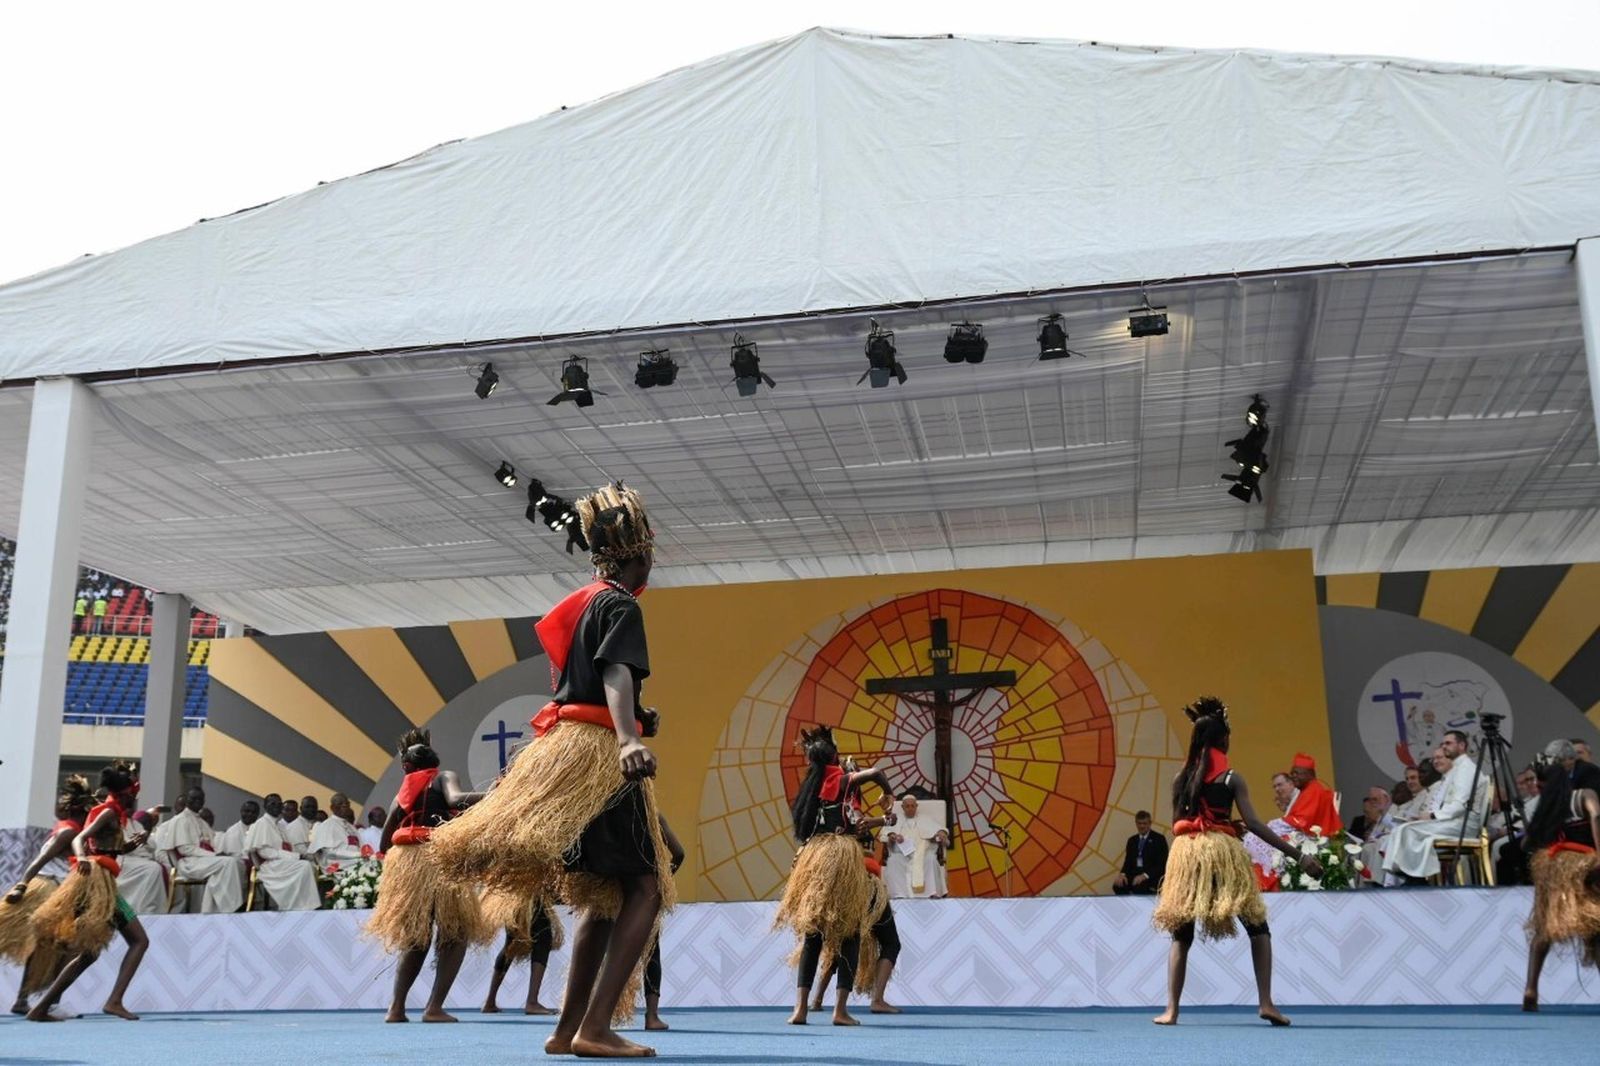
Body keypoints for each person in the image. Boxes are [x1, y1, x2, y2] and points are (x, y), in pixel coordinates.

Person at [431, 482, 676, 1057]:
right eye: (650, 558)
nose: (652, 568)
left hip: (569, 749)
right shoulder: (621, 603)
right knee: (644, 888)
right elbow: (614, 672)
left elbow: (591, 681)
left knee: (602, 898)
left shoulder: (587, 601)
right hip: (598, 759)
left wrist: (638, 717)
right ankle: (594, 1028)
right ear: (637, 555)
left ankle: (567, 1031)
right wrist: (626, 737)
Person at [1150, 697, 1318, 1027]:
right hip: (1222, 854)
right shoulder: (1231, 779)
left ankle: (1171, 1010)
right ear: (1221, 741)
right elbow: (1255, 824)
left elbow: (1177, 823)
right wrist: (1299, 856)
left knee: (1181, 935)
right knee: (1258, 928)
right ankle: (1266, 1003)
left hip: (1186, 853)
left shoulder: (1179, 779)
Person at [365, 728, 489, 1023]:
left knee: (416, 936)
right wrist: (496, 794)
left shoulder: (402, 794)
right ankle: (434, 1007)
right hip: (437, 859)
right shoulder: (443, 776)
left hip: (407, 865)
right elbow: (457, 799)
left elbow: (385, 843)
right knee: (455, 933)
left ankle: (396, 1008)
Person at [775, 725, 895, 1027]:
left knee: (813, 935)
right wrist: (888, 795)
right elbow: (877, 772)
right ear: (834, 758)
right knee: (849, 933)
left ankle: (800, 1010)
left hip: (813, 859)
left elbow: (841, 825)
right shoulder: (839, 780)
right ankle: (839, 1011)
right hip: (839, 861)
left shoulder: (810, 789)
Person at [24, 761, 152, 1021]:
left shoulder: (111, 812)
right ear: (126, 792)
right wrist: (81, 857)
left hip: (99, 883)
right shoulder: (107, 813)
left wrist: (128, 847)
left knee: (89, 953)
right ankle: (114, 1001)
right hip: (97, 884)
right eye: (132, 792)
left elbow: (104, 847)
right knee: (139, 940)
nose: (135, 797)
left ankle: (40, 1008)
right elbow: (79, 839)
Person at [2, 775, 92, 1017]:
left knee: (48, 948)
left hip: (56, 891)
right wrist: (21, 885)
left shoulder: (73, 831)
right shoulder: (69, 832)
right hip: (47, 891)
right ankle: (49, 1003)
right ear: (83, 809)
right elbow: (39, 860)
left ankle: (27, 1000)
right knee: (68, 946)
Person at [1520, 742, 1600, 1012]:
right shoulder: (1584, 795)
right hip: (1583, 866)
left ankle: (1531, 987)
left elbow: (1528, 842)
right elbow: (1596, 817)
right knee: (1594, 926)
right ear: (1568, 764)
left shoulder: (1545, 804)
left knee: (1544, 926)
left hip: (1552, 867)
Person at [1383, 731, 1485, 885]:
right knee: (1404, 828)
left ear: (1462, 746)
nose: (1444, 746)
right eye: (1443, 743)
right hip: (1453, 821)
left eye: (1448, 743)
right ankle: (1411, 877)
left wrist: (1432, 816)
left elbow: (1460, 804)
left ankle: (1416, 880)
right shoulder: (1455, 769)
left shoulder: (1466, 769)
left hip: (1464, 825)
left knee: (1409, 830)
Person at [481, 888, 564, 1016]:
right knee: (542, 939)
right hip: (528, 890)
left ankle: (490, 1001)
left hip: (513, 893)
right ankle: (532, 1002)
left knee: (512, 943)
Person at [168, 786, 243, 913]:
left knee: (234, 862)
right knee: (228, 863)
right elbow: (185, 849)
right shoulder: (179, 820)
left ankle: (211, 910)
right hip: (188, 863)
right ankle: (232, 907)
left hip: (203, 861)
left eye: (200, 798)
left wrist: (219, 854)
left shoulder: (202, 822)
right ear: (187, 800)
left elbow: (213, 844)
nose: (197, 801)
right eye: (193, 798)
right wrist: (215, 856)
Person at [642, 815, 686, 1032]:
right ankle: (652, 1016)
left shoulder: (606, 810)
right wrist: (663, 878)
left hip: (612, 891)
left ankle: (596, 1018)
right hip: (644, 893)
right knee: (651, 953)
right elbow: (679, 853)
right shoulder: (653, 816)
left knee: (604, 954)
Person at [244, 795, 322, 910]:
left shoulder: (280, 825)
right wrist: (295, 856)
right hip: (269, 865)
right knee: (304, 866)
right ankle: (299, 906)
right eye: (272, 804)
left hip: (281, 862)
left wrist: (299, 855)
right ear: (265, 806)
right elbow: (265, 852)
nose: (276, 806)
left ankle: (302, 905)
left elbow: (289, 847)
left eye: (279, 804)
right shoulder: (262, 823)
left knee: (309, 865)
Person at [880, 794, 948, 899]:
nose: (910, 809)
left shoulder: (925, 819)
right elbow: (885, 834)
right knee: (893, 861)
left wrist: (941, 833)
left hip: (923, 854)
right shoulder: (895, 819)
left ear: (916, 806)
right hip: (902, 854)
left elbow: (940, 830)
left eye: (913, 806)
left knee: (931, 859)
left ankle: (931, 892)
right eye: (907, 806)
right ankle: (898, 894)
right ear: (902, 807)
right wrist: (892, 836)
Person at [116, 810, 171, 916]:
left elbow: (151, 845)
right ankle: (144, 910)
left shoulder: (133, 823)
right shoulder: (116, 821)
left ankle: (153, 911)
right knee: (153, 869)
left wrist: (144, 838)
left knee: (157, 869)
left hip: (139, 860)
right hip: (123, 859)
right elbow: (123, 848)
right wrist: (138, 842)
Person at [1284, 754, 1342, 835]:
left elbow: (1302, 820)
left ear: (1310, 774)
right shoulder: (1306, 790)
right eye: (1292, 774)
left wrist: (1276, 824)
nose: (1293, 776)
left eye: (1296, 773)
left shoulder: (1313, 790)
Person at [1112, 811, 1168, 895]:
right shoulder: (1132, 840)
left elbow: (1162, 864)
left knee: (1139, 886)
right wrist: (1122, 874)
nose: (1142, 826)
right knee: (1118, 885)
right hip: (1134, 876)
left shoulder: (1159, 839)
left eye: (1144, 823)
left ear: (1150, 823)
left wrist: (1144, 876)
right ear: (1136, 823)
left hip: (1151, 877)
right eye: (1139, 823)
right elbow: (1128, 862)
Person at [309, 793, 364, 872]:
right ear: (332, 808)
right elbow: (329, 852)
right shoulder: (327, 825)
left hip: (355, 859)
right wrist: (355, 855)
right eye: (340, 804)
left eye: (347, 803)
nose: (345, 806)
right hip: (339, 863)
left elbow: (361, 847)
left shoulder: (351, 827)